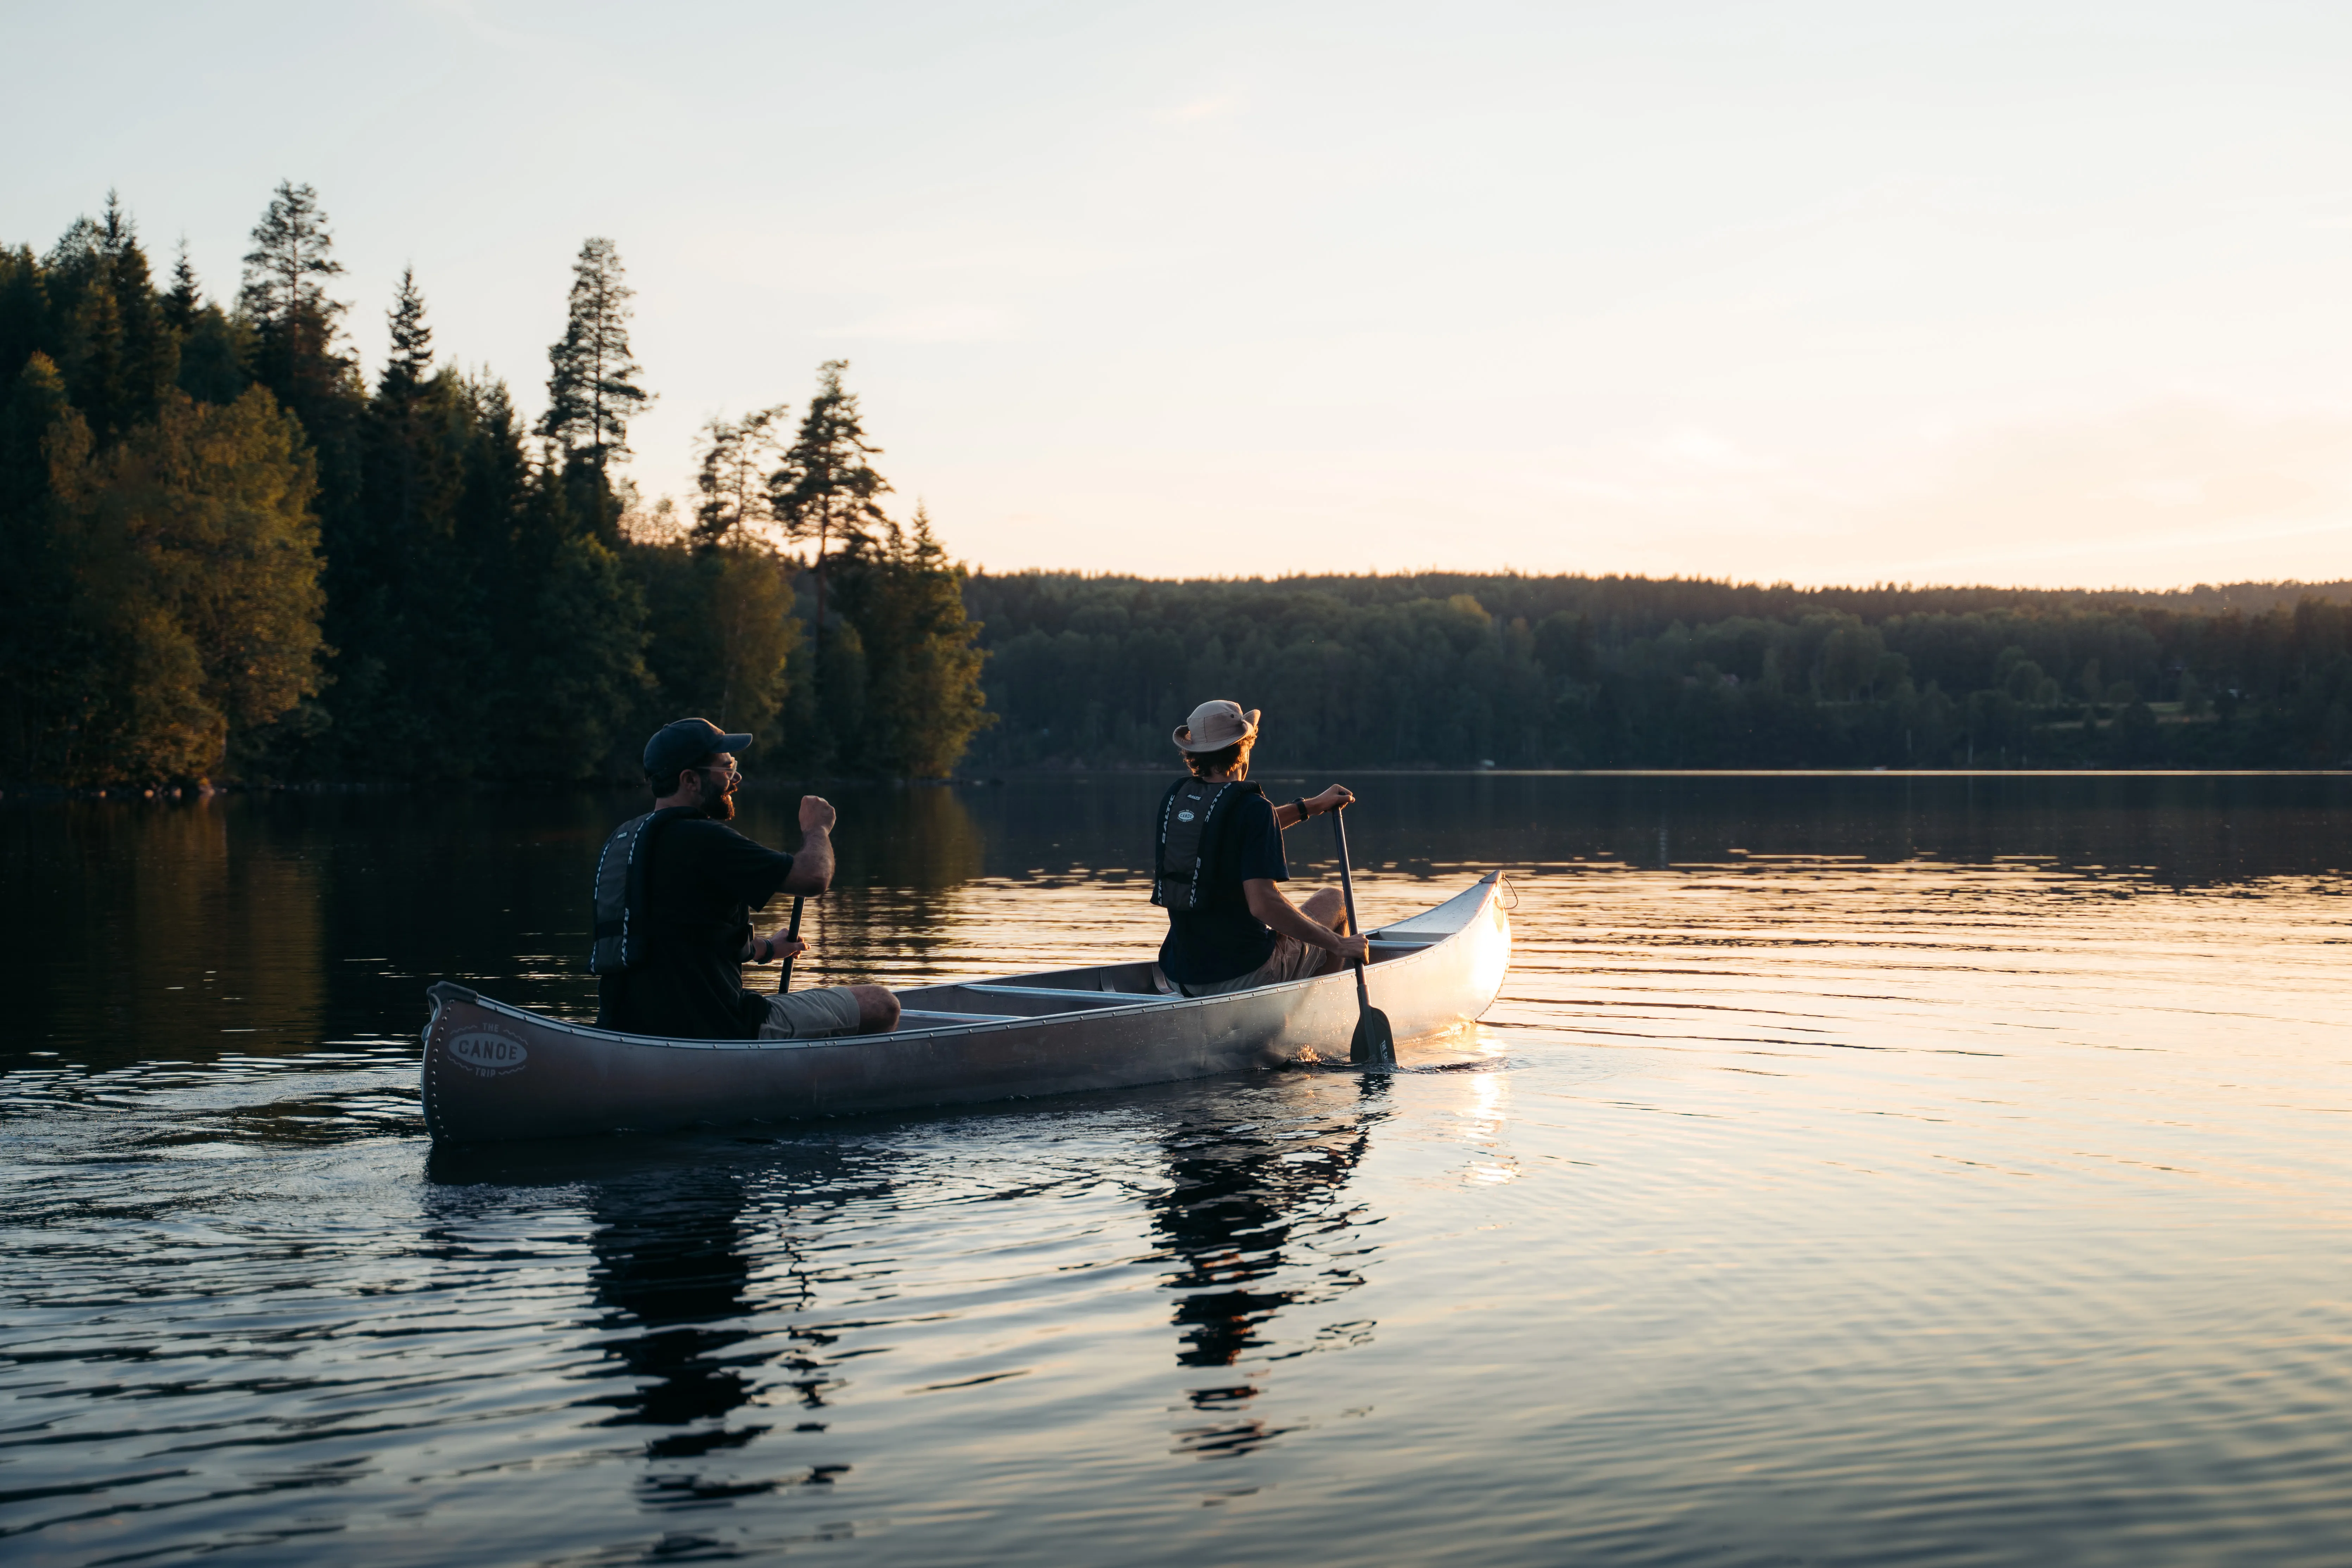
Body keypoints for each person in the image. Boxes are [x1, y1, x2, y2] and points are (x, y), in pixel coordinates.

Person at [594, 717, 900, 1041]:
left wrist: (767, 949)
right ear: (690, 780)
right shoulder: (703, 838)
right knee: (882, 1005)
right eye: (726, 768)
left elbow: (678, 940)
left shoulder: (623, 841)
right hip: (715, 1026)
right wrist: (817, 829)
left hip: (624, 1028)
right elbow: (813, 878)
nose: (736, 777)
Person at [1153, 699, 1371, 997]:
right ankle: (1314, 1017)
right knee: (1335, 900)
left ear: (1195, 754)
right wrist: (1338, 945)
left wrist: (1310, 807)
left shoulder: (1177, 801)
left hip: (1179, 976)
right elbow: (1264, 905)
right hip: (1242, 974)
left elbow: (1235, 832)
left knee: (1289, 922)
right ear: (1243, 749)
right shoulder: (1253, 808)